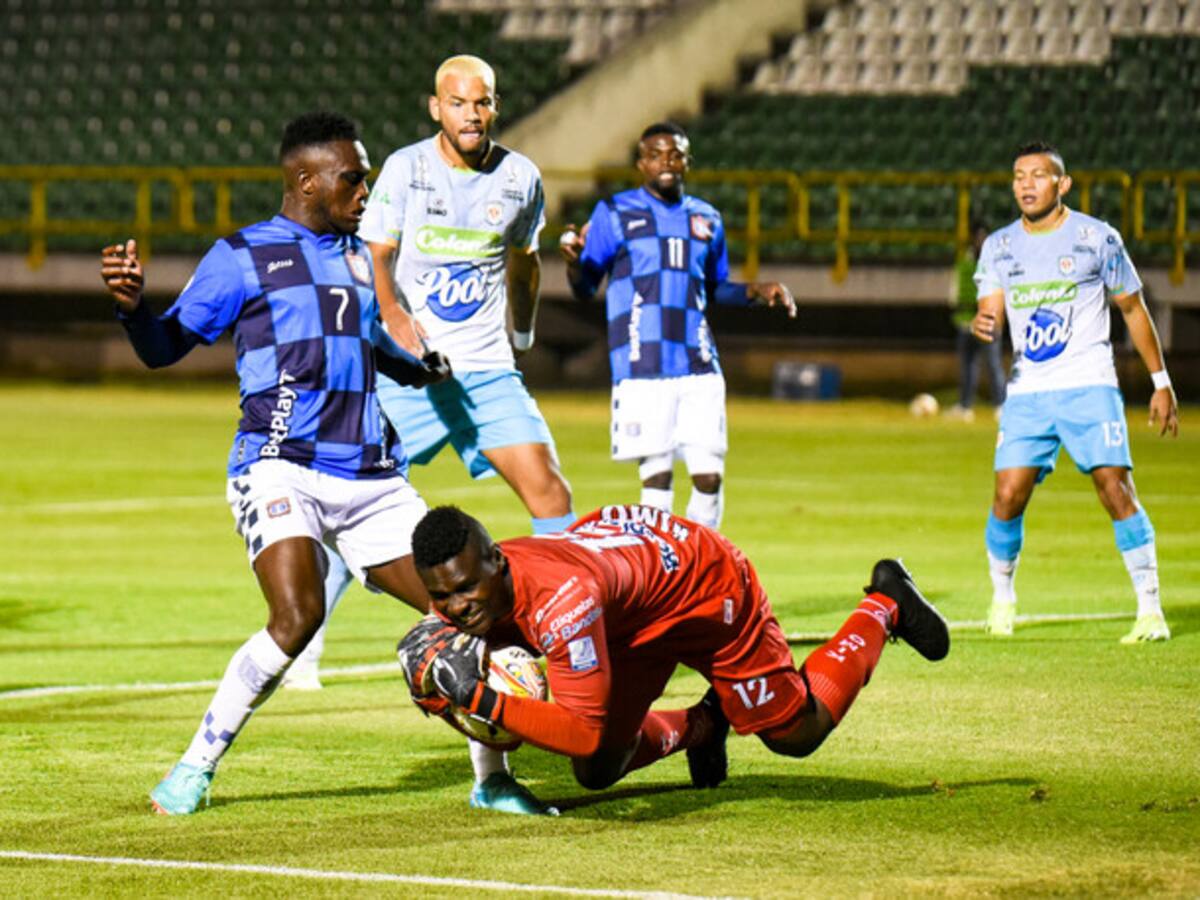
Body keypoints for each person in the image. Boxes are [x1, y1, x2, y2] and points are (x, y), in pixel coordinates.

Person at [98, 112, 452, 815]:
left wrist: (417, 371)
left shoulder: (358, 256)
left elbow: (367, 342)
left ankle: (494, 779)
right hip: (278, 462)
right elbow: (164, 347)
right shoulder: (241, 256)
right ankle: (195, 769)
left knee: (462, 610)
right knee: (297, 615)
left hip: (373, 475)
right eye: (353, 178)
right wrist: (135, 311)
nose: (364, 192)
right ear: (305, 180)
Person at [292, 56, 570, 814]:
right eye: (459, 102)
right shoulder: (406, 172)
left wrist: (522, 328)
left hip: (484, 373)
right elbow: (378, 253)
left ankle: (562, 631)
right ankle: (304, 643)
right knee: (359, 504)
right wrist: (392, 315)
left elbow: (526, 259)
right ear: (435, 107)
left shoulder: (521, 179)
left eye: (482, 102)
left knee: (550, 491)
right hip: (413, 374)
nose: (473, 114)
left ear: (495, 106)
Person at [397, 504, 949, 796]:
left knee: (796, 734)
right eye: (442, 596)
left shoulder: (563, 604)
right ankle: (706, 723)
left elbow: (578, 725)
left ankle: (885, 602)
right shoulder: (478, 590)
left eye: (467, 588)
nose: (458, 606)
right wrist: (440, 699)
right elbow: (455, 670)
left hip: (704, 586)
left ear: (497, 560)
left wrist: (477, 699)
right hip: (630, 606)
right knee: (595, 771)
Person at [972, 140, 1180, 643]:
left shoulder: (1096, 238)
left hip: (1089, 385)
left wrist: (1161, 381)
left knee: (1115, 488)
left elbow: (1132, 308)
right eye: (1019, 175)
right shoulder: (999, 246)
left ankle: (1150, 611)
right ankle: (1003, 599)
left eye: (1038, 175)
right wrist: (987, 321)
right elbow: (992, 307)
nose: (1026, 184)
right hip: (1029, 392)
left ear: (1062, 184)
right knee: (1006, 495)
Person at [559, 122, 795, 529]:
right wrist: (572, 262)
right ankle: (661, 577)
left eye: (675, 154)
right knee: (657, 480)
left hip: (698, 361)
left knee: (709, 476)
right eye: (655, 154)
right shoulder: (614, 213)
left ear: (687, 161)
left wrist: (755, 290)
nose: (665, 162)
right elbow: (584, 287)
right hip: (641, 363)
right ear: (640, 163)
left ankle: (704, 565)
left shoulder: (707, 219)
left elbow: (713, 289)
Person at [948, 220, 1006, 421]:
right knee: (967, 366)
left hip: (988, 319)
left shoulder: (995, 261)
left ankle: (1000, 405)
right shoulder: (965, 261)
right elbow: (956, 288)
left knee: (993, 364)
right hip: (966, 320)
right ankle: (965, 406)